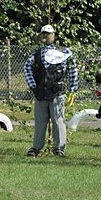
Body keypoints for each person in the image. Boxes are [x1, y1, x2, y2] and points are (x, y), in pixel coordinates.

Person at [24, 24, 78, 157]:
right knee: (40, 122)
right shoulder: (36, 55)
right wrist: (33, 86)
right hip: (40, 93)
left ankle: (59, 148)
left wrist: (72, 90)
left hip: (57, 93)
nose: (46, 36)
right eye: (43, 34)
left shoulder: (64, 53)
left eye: (48, 34)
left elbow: (73, 69)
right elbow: (27, 68)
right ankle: (36, 148)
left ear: (54, 35)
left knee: (58, 120)